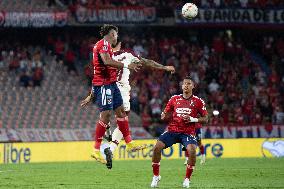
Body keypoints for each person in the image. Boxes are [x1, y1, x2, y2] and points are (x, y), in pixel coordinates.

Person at [104, 41, 175, 168]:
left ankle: (111, 146)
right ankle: (125, 143)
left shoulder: (105, 56)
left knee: (121, 121)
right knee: (123, 118)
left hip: (107, 88)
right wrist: (164, 67)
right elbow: (147, 62)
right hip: (121, 89)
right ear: (119, 44)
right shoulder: (127, 54)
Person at [80, 24, 143, 166]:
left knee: (121, 112)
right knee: (106, 115)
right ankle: (95, 150)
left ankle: (129, 143)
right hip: (103, 85)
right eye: (115, 34)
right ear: (110, 34)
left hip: (112, 84)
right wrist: (127, 66)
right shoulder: (102, 45)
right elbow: (107, 61)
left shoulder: (108, 46)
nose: (117, 36)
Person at [150, 76, 208, 188]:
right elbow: (166, 111)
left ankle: (187, 179)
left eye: (189, 83)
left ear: (193, 86)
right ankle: (156, 176)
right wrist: (163, 115)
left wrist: (193, 119)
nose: (186, 85)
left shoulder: (198, 101)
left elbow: (206, 118)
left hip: (187, 132)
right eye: (184, 83)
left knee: (191, 151)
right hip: (173, 130)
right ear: (181, 86)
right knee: (157, 148)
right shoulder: (174, 98)